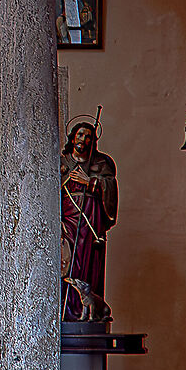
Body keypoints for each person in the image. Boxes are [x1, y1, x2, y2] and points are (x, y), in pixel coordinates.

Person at [60, 116, 118, 324]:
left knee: (89, 264)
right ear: (73, 137)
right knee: (68, 262)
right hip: (68, 220)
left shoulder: (102, 163)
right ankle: (66, 309)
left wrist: (91, 182)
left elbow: (111, 188)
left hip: (92, 221)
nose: (83, 139)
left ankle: (88, 309)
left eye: (88, 136)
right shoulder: (62, 161)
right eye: (80, 134)